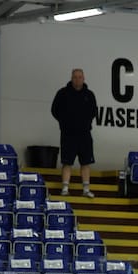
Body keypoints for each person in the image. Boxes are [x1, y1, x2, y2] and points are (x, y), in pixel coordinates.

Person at [50, 68, 98, 198]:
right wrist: (64, 123)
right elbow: (54, 110)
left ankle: (86, 189)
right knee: (67, 162)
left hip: (84, 134)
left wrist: (85, 123)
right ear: (71, 78)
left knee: (86, 162)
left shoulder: (89, 95)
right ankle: (65, 188)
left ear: (84, 78)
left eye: (80, 77)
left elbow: (94, 111)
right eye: (75, 77)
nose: (77, 79)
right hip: (68, 134)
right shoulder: (62, 93)